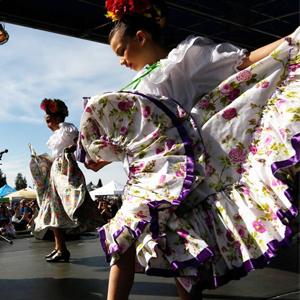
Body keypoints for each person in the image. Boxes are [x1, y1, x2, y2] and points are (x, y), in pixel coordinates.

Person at [77, 1, 299, 299]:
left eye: (121, 50)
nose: (120, 60)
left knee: (174, 250)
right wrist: (103, 161)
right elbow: (142, 137)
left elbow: (246, 63)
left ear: (141, 37)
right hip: (146, 180)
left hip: (184, 177)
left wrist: (292, 42)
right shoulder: (136, 83)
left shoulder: (184, 62)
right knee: (128, 237)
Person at [29, 98, 102, 263]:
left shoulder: (67, 129)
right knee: (53, 209)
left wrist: (74, 149)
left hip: (64, 169)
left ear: (57, 117)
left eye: (49, 120)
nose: (48, 124)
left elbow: (80, 143)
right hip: (56, 170)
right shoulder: (58, 134)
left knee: (58, 207)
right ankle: (59, 247)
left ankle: (62, 248)